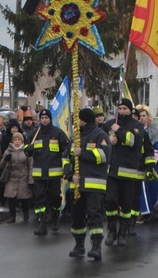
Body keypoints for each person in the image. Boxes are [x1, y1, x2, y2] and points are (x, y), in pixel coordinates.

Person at [104, 98, 155, 247]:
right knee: (110, 201)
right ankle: (112, 231)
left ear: (130, 110)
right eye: (119, 108)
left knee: (127, 204)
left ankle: (123, 233)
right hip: (112, 171)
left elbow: (133, 141)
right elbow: (102, 137)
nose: (122, 111)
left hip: (128, 171)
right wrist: (109, 139)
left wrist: (117, 131)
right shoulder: (110, 123)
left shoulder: (137, 126)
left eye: (125, 109)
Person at [64, 107, 109, 261]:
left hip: (94, 184)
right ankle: (79, 245)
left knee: (94, 215)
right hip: (77, 185)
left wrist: (82, 153)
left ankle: (96, 247)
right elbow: (65, 158)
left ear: (84, 120)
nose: (76, 121)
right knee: (76, 216)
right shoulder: (75, 137)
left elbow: (103, 156)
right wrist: (70, 175)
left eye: (78, 118)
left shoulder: (100, 135)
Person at [25, 108, 69, 236]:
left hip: (54, 173)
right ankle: (42, 223)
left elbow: (66, 149)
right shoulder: (34, 134)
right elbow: (27, 149)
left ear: (50, 119)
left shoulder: (58, 133)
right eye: (42, 118)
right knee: (39, 199)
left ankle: (55, 217)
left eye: (46, 118)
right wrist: (28, 149)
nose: (44, 120)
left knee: (55, 197)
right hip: (39, 174)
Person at [1, 132, 33, 223]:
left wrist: (30, 179)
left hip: (23, 177)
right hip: (11, 176)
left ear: (22, 141)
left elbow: (30, 165)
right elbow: (1, 165)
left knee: (23, 197)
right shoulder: (8, 151)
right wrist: (5, 160)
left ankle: (26, 213)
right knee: (11, 197)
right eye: (15, 140)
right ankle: (12, 216)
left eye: (19, 140)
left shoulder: (26, 151)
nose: (17, 142)